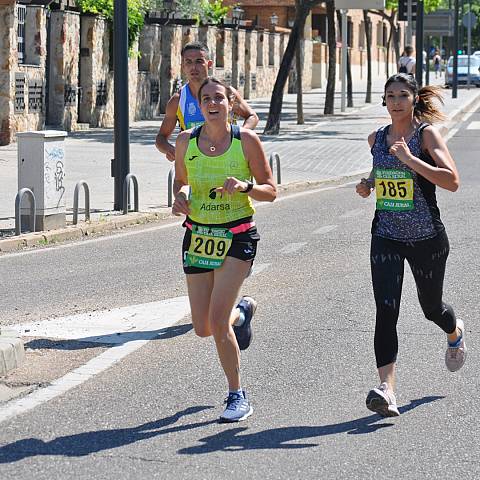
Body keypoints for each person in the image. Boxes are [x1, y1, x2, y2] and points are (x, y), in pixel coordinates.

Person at [356, 73, 466, 417]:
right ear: (384, 101)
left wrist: (411, 160)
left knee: (431, 308)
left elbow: (452, 181)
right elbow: (383, 172)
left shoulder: (425, 135)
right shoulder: (376, 138)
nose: (397, 101)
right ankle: (386, 389)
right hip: (386, 235)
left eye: (403, 95)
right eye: (391, 96)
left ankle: (454, 330)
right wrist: (368, 184)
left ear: (415, 99)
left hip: (426, 238)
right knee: (386, 310)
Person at [172, 77, 276, 422]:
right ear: (199, 106)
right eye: (206, 99)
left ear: (232, 104)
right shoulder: (186, 140)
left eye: (219, 98)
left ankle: (237, 395)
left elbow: (271, 190)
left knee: (216, 322)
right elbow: (181, 181)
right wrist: (180, 198)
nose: (213, 103)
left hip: (238, 236)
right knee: (203, 327)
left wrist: (246, 186)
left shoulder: (245, 140)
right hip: (198, 235)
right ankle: (241, 313)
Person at [156, 41, 259, 162]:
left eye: (199, 61)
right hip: (194, 165)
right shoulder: (178, 100)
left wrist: (240, 136)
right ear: (183, 66)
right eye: (188, 62)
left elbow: (252, 117)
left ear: (209, 64)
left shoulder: (225, 93)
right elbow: (161, 138)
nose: (193, 67)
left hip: (229, 160)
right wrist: (170, 150)